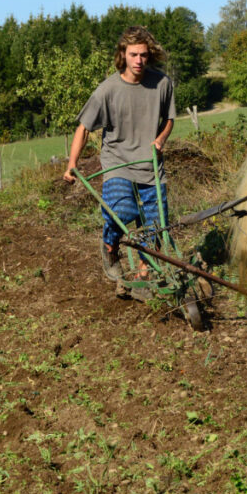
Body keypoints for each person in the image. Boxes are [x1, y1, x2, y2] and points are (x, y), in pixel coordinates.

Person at [63, 26, 176, 293]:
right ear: (123, 54)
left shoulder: (162, 84)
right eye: (134, 54)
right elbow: (83, 128)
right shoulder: (107, 90)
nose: (139, 61)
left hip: (150, 165)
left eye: (144, 55)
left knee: (156, 227)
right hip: (118, 163)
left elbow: (169, 120)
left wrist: (161, 139)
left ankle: (145, 273)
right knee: (123, 211)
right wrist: (72, 164)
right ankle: (110, 247)